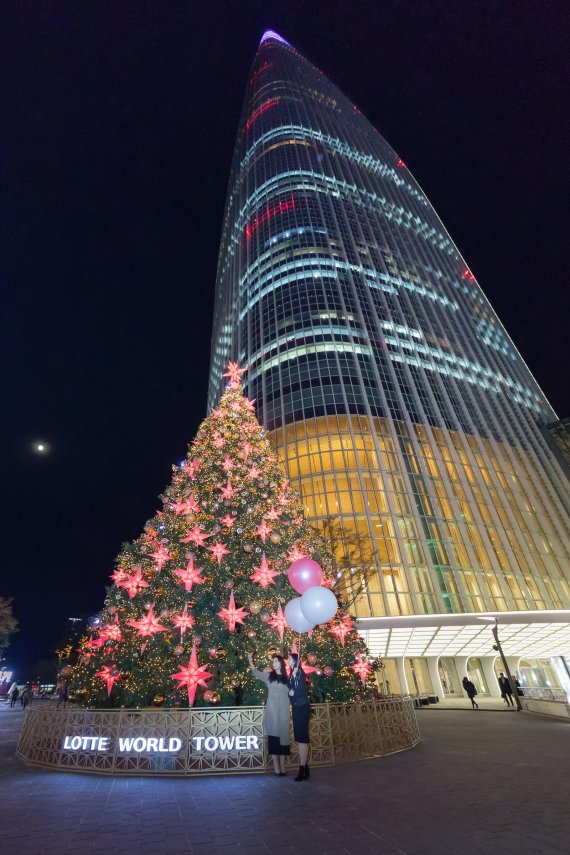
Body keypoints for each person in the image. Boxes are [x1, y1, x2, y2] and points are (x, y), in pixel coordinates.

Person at [247, 652, 290, 776]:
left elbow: (292, 692)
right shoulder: (269, 676)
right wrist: (250, 660)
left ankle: (282, 765)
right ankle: (276, 766)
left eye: (276, 661)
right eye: (273, 661)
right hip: (272, 713)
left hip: (284, 713)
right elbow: (256, 672)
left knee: (283, 740)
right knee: (274, 739)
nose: (274, 663)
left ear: (281, 663)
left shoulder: (287, 679)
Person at [287, 652, 311, 781]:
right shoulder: (292, 674)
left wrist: (296, 677)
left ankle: (302, 769)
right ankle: (305, 767)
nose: (287, 660)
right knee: (300, 737)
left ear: (295, 661)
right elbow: (291, 690)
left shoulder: (299, 673)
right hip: (296, 708)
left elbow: (300, 688)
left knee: (302, 739)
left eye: (289, 659)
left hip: (302, 707)